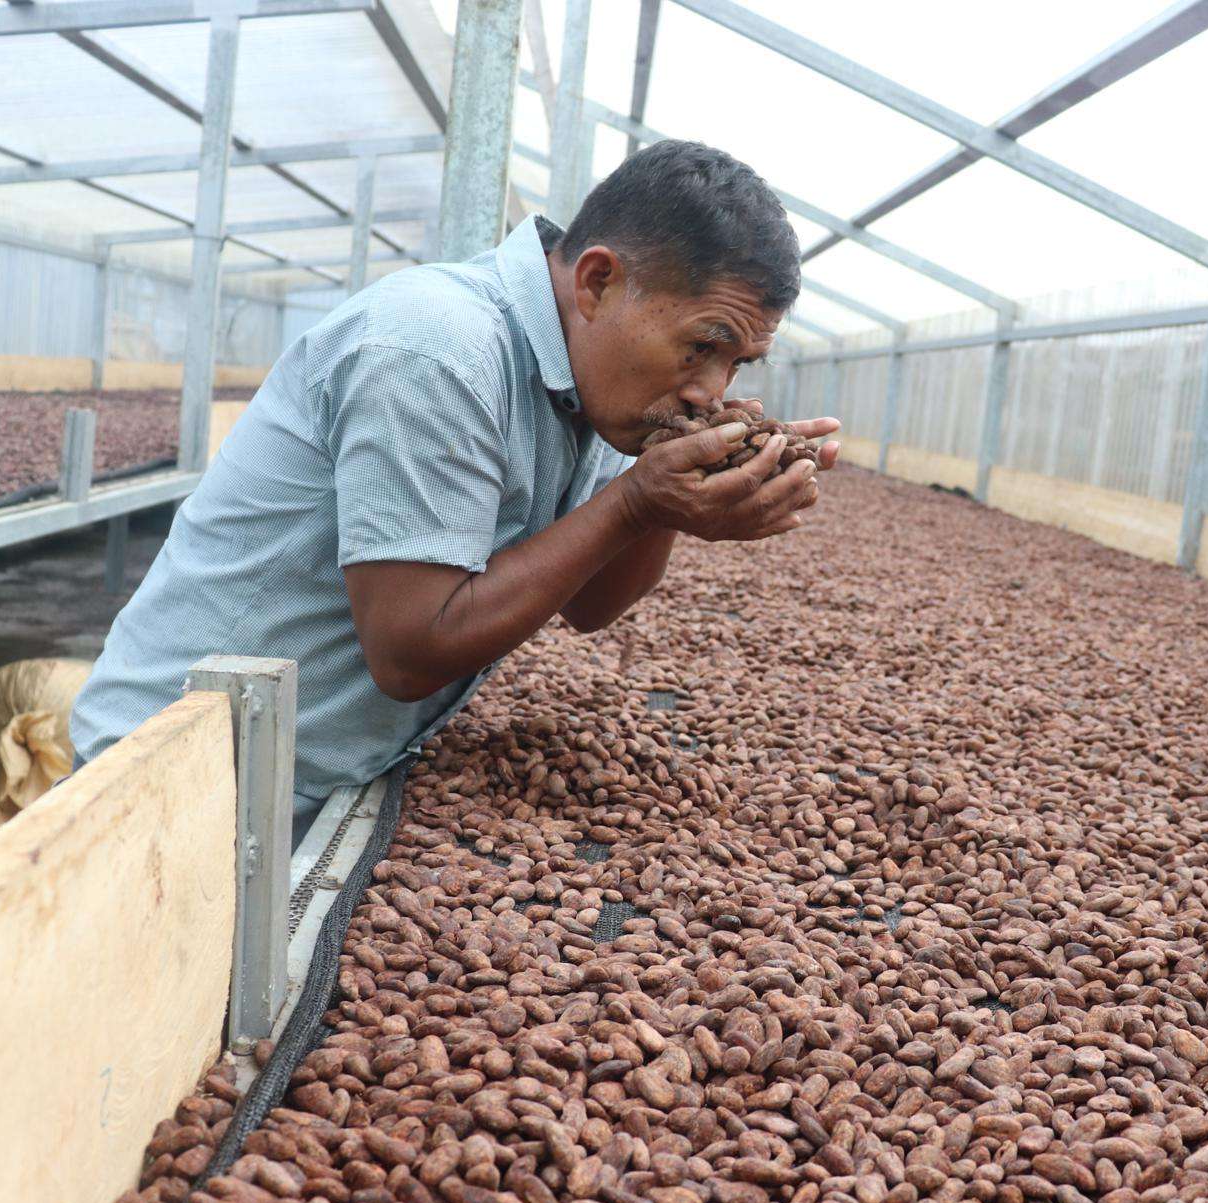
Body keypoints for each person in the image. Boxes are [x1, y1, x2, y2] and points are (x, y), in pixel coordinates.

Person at [69, 140, 839, 845]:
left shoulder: (601, 381)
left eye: (738, 366)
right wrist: (639, 503)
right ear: (599, 282)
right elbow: (410, 651)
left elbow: (591, 605)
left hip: (315, 769)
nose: (713, 390)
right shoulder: (435, 348)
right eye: (704, 347)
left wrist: (683, 488)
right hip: (170, 782)